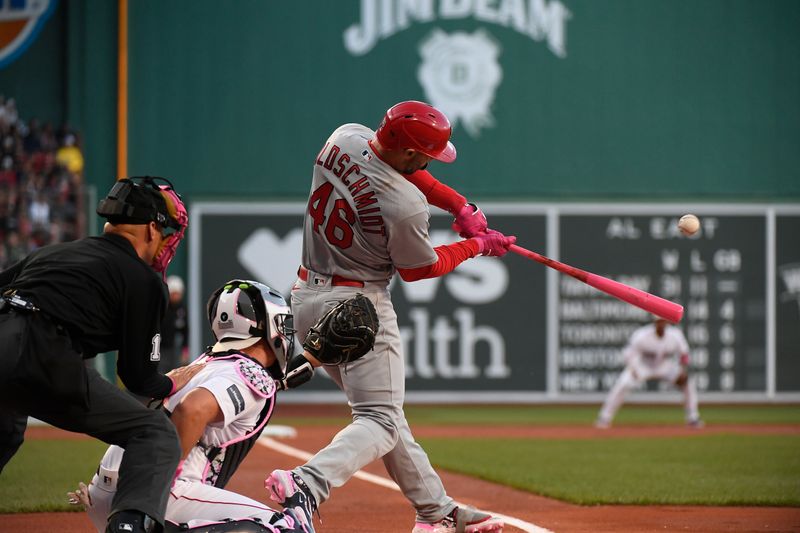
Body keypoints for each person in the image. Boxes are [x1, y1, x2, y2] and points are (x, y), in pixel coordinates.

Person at [263, 100, 515, 533]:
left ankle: (436, 512)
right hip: (359, 307)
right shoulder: (404, 206)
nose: (428, 162)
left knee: (386, 417)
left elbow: (406, 170)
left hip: (306, 295)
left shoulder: (344, 136)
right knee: (379, 420)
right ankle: (307, 483)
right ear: (413, 153)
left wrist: (459, 207)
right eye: (426, 155)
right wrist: (477, 247)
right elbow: (420, 270)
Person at [0, 176, 202, 533]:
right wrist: (169, 384)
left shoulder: (55, 251)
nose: (168, 238)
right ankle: (128, 528)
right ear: (152, 227)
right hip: (41, 351)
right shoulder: (145, 279)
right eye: (166, 228)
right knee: (153, 432)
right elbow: (138, 377)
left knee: (6, 427)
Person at [68, 279, 317, 533]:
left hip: (109, 486)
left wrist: (310, 360)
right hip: (152, 490)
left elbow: (243, 386)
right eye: (281, 323)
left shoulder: (206, 361)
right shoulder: (249, 374)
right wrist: (156, 485)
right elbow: (193, 408)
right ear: (265, 326)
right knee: (287, 528)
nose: (286, 333)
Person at [595, 316, 703, 429]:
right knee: (623, 383)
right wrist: (634, 369)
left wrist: (682, 369)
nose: (661, 324)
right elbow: (628, 354)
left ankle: (693, 418)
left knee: (688, 382)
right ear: (654, 322)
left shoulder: (675, 334)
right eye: (658, 321)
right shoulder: (642, 335)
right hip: (642, 366)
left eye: (663, 321)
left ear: (667, 322)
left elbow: (684, 354)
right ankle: (604, 418)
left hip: (665, 366)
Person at [159, 275, 189, 373]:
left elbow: (185, 330)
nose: (176, 296)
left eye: (178, 293)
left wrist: (185, 350)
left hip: (174, 348)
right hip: (160, 348)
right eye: (173, 293)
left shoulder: (182, 309)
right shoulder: (162, 308)